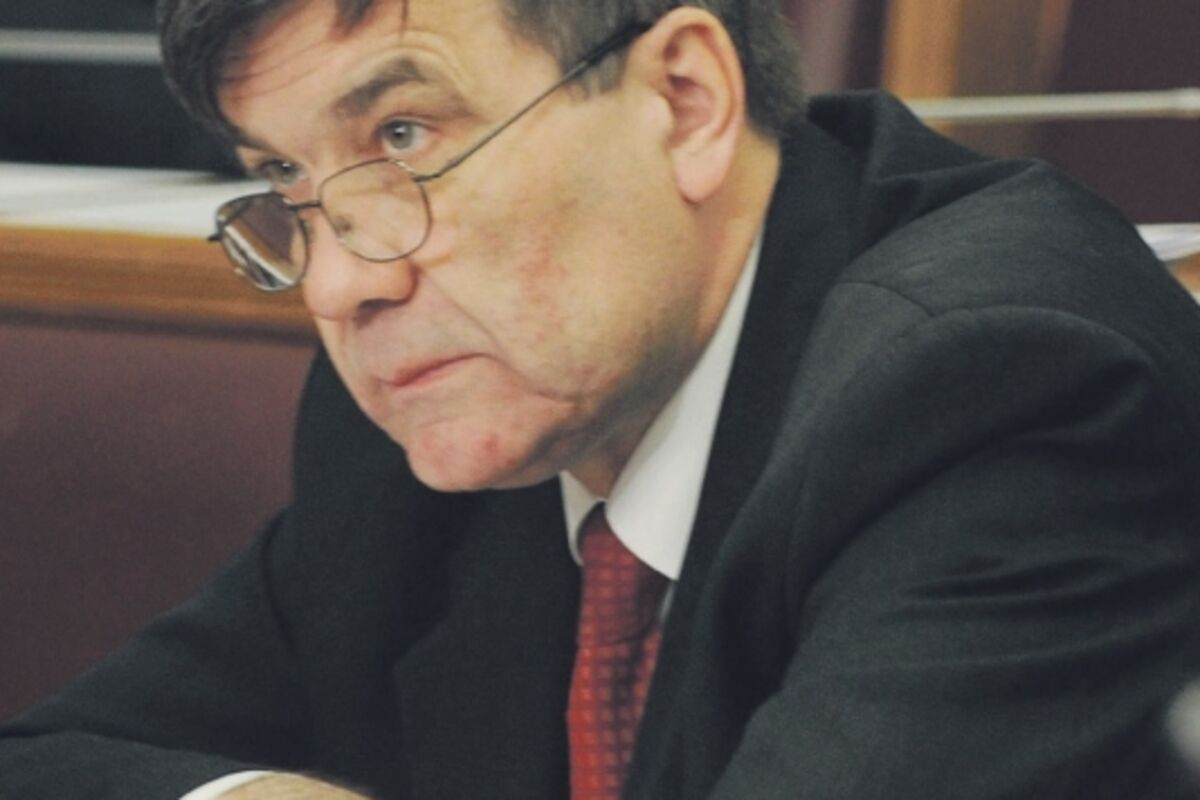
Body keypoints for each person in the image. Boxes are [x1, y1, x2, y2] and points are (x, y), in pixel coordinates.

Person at [3, 0, 1200, 797]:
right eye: (283, 176)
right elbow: (45, 758)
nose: (338, 282)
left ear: (684, 99)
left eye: (403, 134)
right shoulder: (442, 406)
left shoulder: (1001, 389)